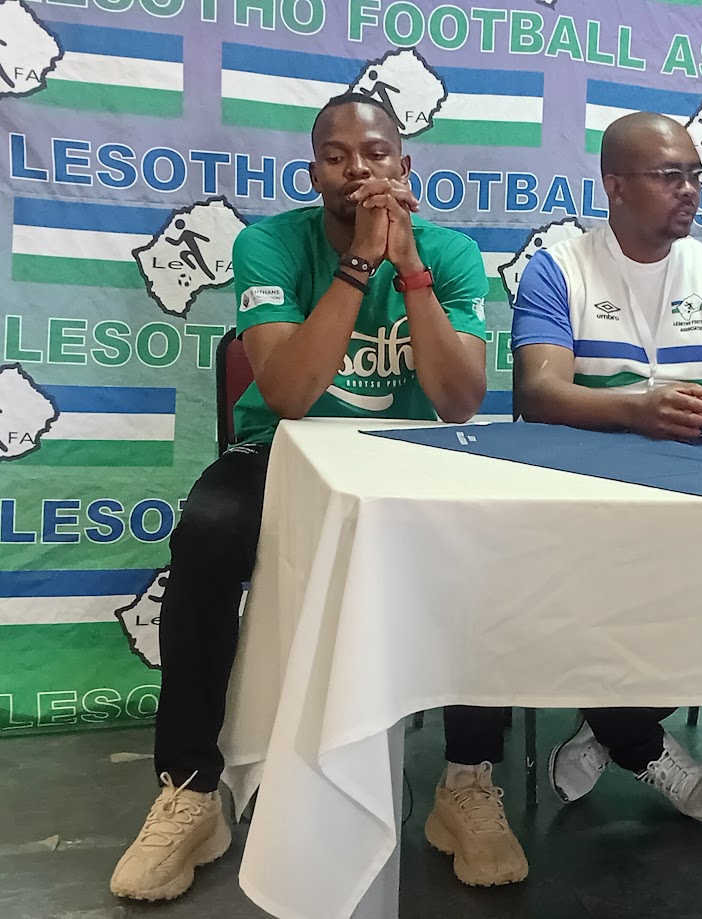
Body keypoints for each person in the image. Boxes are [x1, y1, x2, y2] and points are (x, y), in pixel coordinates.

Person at [110, 93, 528, 901]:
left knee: (489, 537)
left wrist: (409, 270)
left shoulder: (450, 253)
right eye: (336, 157)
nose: (357, 170)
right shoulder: (270, 244)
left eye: (375, 154)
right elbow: (291, 393)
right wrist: (359, 263)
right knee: (207, 529)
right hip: (283, 450)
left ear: (405, 167)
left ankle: (465, 782)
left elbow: (458, 402)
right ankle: (191, 790)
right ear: (313, 174)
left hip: (407, 458)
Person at [510, 111, 702, 822]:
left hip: (699, 498)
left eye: (696, 175)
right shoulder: (558, 268)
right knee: (554, 597)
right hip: (584, 498)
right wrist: (636, 410)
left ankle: (609, 728)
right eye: (670, 176)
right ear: (614, 185)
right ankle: (637, 740)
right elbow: (538, 393)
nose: (689, 189)